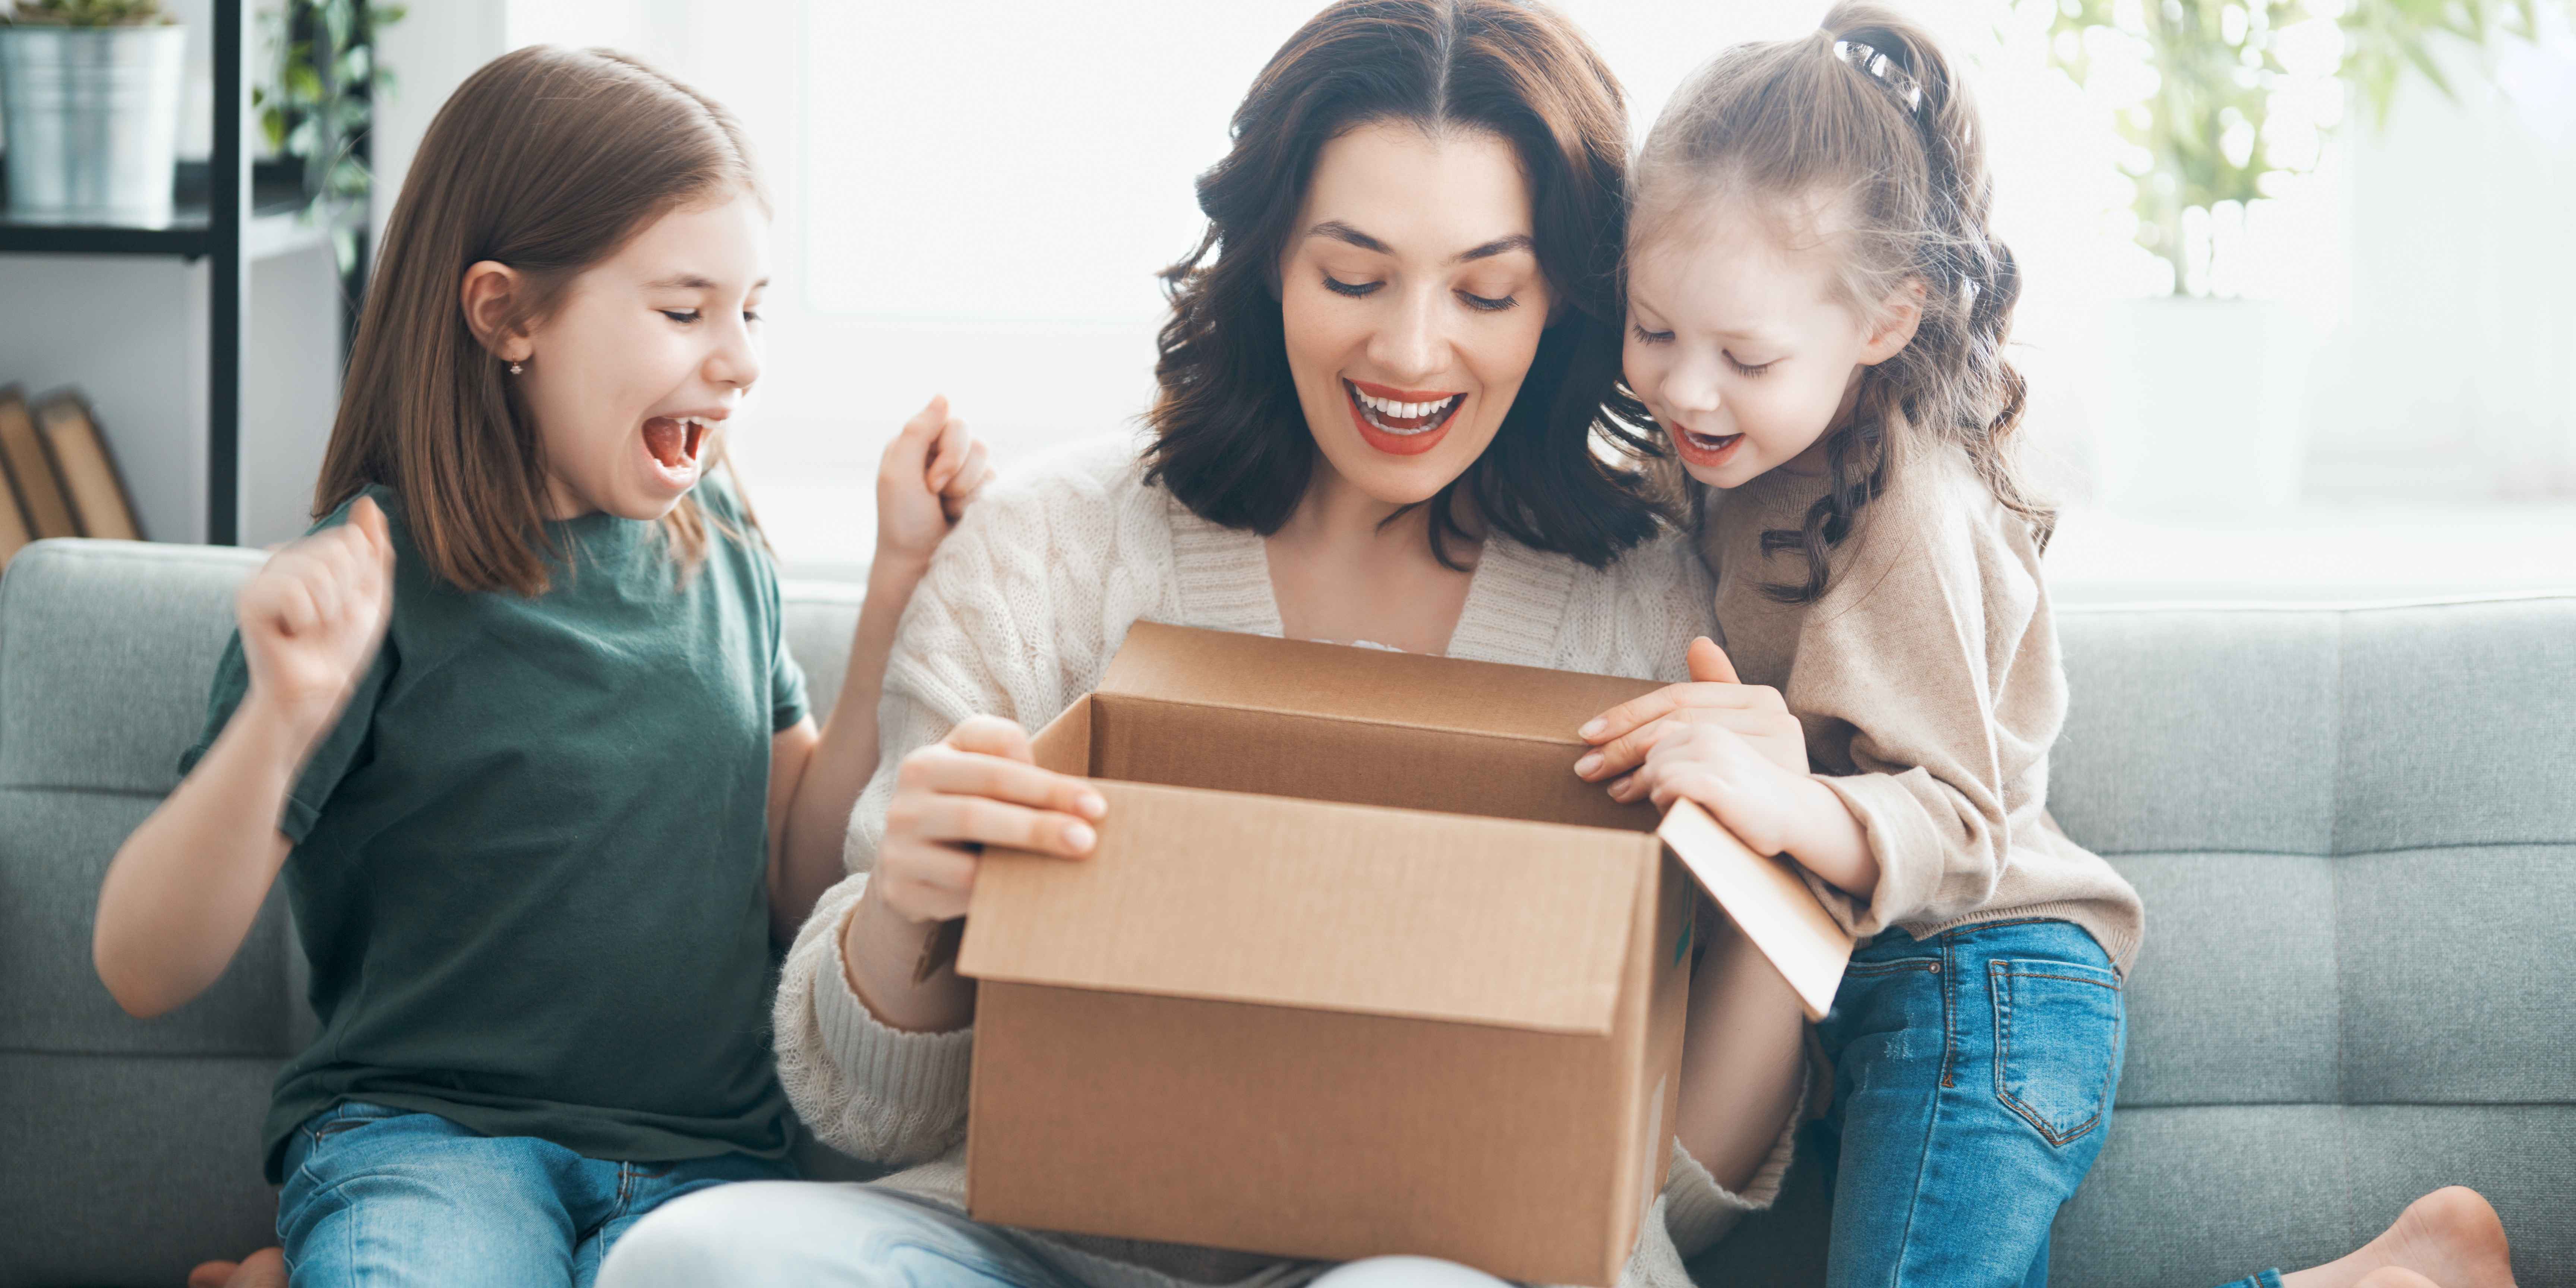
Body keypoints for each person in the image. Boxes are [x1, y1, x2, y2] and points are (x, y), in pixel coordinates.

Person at [597, 3, 1815, 1286]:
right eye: (1352, 276)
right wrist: (907, 912)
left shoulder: (1643, 603)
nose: (1409, 348)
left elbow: (1677, 1208)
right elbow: (862, 1118)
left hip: (1438, 1264)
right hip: (1030, 1248)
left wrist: (1778, 868)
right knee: (694, 1261)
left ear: (1563, 300)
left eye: (1486, 289)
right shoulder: (1050, 552)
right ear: (1268, 259)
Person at [1571, 7, 2521, 1288]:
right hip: (1868, 997)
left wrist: (1788, 799)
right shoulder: (1736, 459)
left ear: (1886, 322)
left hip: (1986, 989)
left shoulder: (1910, 505)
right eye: (1655, 333)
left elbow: (1961, 832)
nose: (1687, 389)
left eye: (1744, 355)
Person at [91, 45, 986, 1287]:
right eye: (685, 311)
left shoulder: (720, 549)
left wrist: (896, 581)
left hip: (704, 1161)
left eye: (753, 308)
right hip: (430, 1145)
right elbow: (144, 968)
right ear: (508, 315)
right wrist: (281, 720)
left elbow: (794, 883)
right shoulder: (368, 585)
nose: (739, 359)